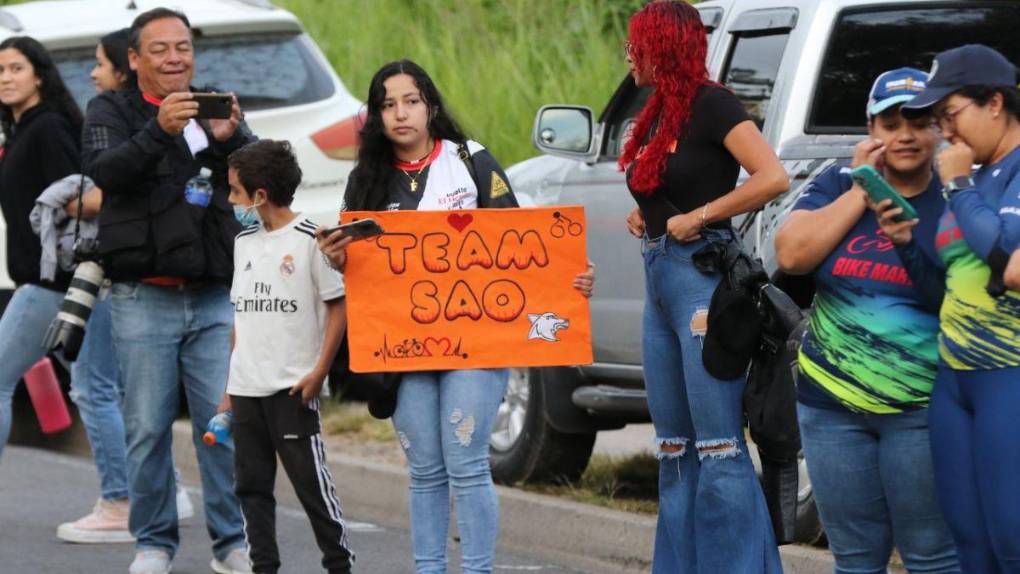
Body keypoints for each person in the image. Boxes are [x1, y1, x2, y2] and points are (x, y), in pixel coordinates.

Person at [317, 59, 594, 574]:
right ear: (376, 117)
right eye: (387, 105)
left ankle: (478, 569)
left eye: (411, 101)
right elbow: (356, 266)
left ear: (431, 106)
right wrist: (337, 256)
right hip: (403, 350)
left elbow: (524, 244)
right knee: (424, 470)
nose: (400, 114)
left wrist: (570, 279)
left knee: (466, 463)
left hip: (477, 342)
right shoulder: (366, 180)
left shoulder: (471, 161)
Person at [81, 8, 256, 574]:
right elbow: (106, 172)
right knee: (148, 429)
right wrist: (160, 132)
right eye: (159, 49)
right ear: (134, 60)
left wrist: (234, 140)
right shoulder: (110, 108)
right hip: (142, 296)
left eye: (182, 47)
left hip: (211, 294)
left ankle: (232, 544)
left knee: (222, 425)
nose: (175, 58)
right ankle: (153, 544)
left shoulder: (211, 107)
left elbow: (259, 180)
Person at [618, 2, 789, 572]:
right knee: (673, 449)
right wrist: (647, 213)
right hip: (659, 284)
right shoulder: (659, 111)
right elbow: (667, 183)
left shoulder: (713, 104)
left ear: (663, 46)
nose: (628, 53)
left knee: (718, 446)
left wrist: (701, 215)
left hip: (699, 283)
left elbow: (772, 176)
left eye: (636, 43)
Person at [774, 68, 960, 573]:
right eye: (890, 122)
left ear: (940, 126)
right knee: (855, 559)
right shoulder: (836, 182)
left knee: (933, 557)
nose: (904, 134)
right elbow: (792, 255)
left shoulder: (954, 195)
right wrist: (862, 190)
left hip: (921, 410)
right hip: (830, 409)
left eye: (919, 121)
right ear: (870, 129)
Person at [873, 44, 1020, 573]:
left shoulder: (975, 180)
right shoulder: (976, 178)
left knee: (1012, 539)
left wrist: (955, 184)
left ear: (995, 104)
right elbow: (949, 292)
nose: (946, 133)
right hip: (954, 379)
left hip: (1010, 373)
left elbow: (1009, 266)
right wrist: (908, 245)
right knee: (970, 546)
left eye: (950, 115)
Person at [55, 27, 195, 546]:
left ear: (126, 67)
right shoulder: (98, 116)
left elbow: (105, 185)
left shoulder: (106, 116)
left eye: (99, 63)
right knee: (124, 397)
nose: (92, 73)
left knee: (99, 388)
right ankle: (155, 497)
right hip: (99, 274)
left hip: (118, 274)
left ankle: (123, 499)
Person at [222, 139, 354, 574]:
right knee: (251, 488)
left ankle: (339, 564)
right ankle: (264, 567)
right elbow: (240, 317)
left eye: (235, 192)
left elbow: (338, 309)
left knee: (311, 487)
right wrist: (229, 387)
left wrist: (319, 374)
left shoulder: (311, 239)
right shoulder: (242, 242)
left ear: (260, 195)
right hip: (246, 390)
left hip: (292, 387)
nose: (230, 201)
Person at [0, 37, 82, 456]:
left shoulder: (47, 127)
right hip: (44, 282)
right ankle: (153, 492)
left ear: (39, 75)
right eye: (0, 71)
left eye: (16, 68)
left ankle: (139, 495)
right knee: (95, 391)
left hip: (48, 284)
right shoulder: (21, 129)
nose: (6, 78)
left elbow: (76, 198)